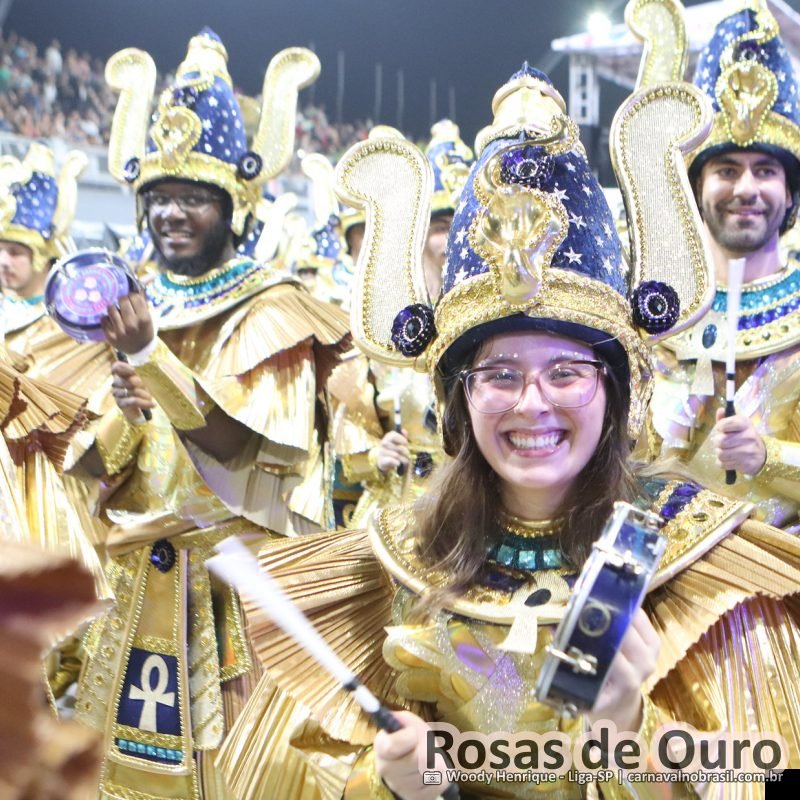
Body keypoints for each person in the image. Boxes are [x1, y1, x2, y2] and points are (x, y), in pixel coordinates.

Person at [219, 50, 800, 799]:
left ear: (617, 392)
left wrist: (629, 736)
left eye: (567, 372)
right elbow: (319, 771)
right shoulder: (396, 559)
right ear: (458, 401)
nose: (532, 403)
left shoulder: (699, 563)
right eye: (499, 375)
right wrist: (397, 784)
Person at [69, 29, 350, 800]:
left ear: (235, 205)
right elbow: (85, 470)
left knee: (244, 782)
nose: (171, 213)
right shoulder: (124, 303)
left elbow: (251, 457)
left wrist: (151, 359)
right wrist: (124, 414)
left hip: (237, 598)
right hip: (136, 590)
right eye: (159, 197)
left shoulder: (277, 310)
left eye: (193, 197)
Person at [641, 1, 800, 528]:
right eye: (727, 170)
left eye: (766, 171)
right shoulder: (657, 312)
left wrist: (768, 458)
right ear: (698, 187)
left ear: (789, 192)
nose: (746, 188)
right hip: (662, 558)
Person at [333, 121, 473, 527]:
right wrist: (372, 454)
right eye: (443, 228)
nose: (454, 240)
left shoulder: (494, 318)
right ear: (418, 232)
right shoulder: (384, 317)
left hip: (473, 506)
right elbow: (350, 417)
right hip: (398, 508)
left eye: (464, 227)